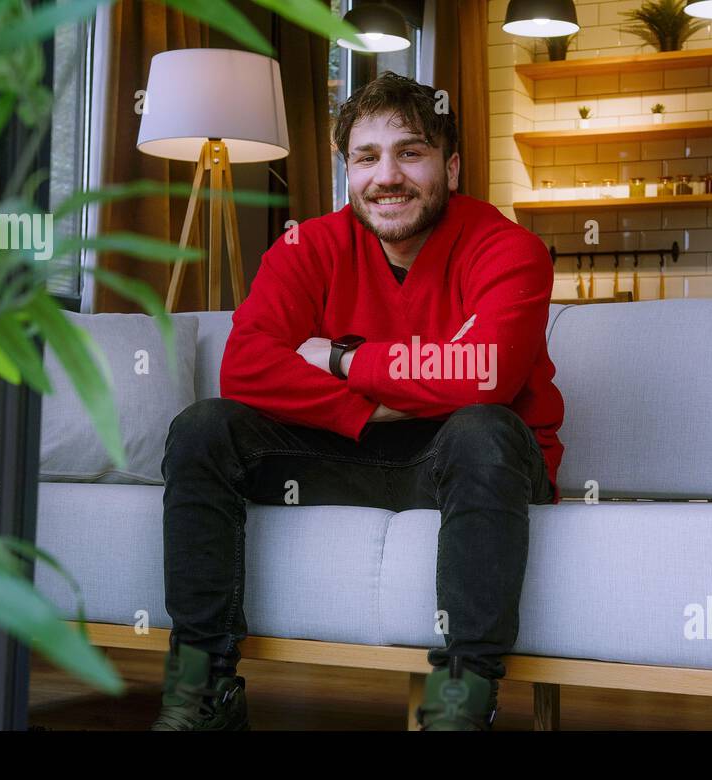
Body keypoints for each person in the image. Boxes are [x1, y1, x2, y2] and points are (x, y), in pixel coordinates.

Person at [152, 71, 565, 731]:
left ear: (451, 167)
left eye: (411, 152)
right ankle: (202, 696)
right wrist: (374, 407)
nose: (387, 175)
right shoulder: (305, 246)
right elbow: (244, 367)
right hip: (344, 451)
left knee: (482, 427)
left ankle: (460, 707)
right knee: (204, 427)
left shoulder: (508, 249)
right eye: (366, 157)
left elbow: (482, 375)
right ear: (347, 171)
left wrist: (341, 358)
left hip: (468, 463)